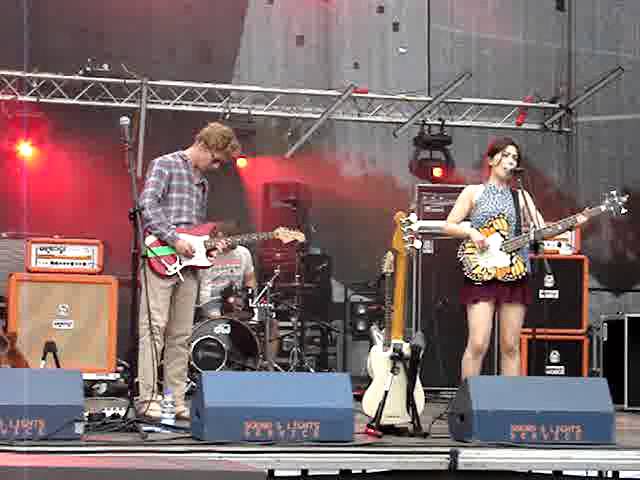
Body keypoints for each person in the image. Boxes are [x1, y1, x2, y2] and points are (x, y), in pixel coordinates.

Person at [137, 122, 241, 420]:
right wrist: (174, 239)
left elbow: (196, 230)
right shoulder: (165, 164)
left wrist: (207, 248)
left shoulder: (203, 183)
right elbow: (147, 205)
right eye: (216, 159)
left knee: (181, 334)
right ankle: (148, 398)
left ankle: (175, 400)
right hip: (160, 257)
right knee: (154, 328)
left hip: (189, 265)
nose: (217, 167)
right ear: (204, 145)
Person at [442, 137, 545, 381]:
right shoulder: (473, 192)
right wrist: (471, 232)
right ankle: (468, 398)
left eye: (514, 158)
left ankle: (510, 400)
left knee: (510, 346)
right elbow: (448, 225)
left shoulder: (521, 196)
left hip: (513, 272)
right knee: (478, 343)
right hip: (482, 271)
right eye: (505, 155)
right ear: (491, 160)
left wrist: (577, 221)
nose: (510, 161)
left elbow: (542, 228)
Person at [197, 221, 281, 362]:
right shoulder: (205, 255)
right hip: (212, 302)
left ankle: (268, 366)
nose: (235, 243)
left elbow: (250, 278)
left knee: (271, 323)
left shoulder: (243, 252)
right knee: (223, 324)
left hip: (238, 301)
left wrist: (249, 298)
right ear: (220, 236)